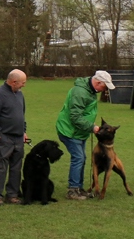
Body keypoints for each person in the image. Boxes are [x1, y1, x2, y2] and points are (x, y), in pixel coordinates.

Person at [55, 70, 115, 201]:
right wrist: (91, 127)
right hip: (70, 131)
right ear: (98, 82)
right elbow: (75, 117)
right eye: (104, 86)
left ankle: (79, 188)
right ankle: (72, 190)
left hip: (79, 131)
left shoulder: (90, 90)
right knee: (78, 158)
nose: (104, 90)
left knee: (81, 158)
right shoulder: (81, 92)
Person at [0, 69, 29, 205]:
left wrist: (23, 131)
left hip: (18, 138)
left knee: (16, 168)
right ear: (14, 82)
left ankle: (12, 194)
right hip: (4, 138)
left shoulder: (19, 94)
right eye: (22, 83)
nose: (24, 85)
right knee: (1, 167)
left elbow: (21, 115)